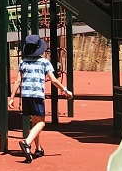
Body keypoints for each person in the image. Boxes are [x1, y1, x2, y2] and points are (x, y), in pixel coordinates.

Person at [8, 34, 73, 163]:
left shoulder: (23, 62)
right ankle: (26, 142)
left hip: (25, 95)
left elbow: (17, 81)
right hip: (37, 95)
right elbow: (53, 80)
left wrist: (12, 97)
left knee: (34, 121)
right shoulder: (44, 62)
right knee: (41, 122)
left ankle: (38, 148)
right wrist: (64, 90)